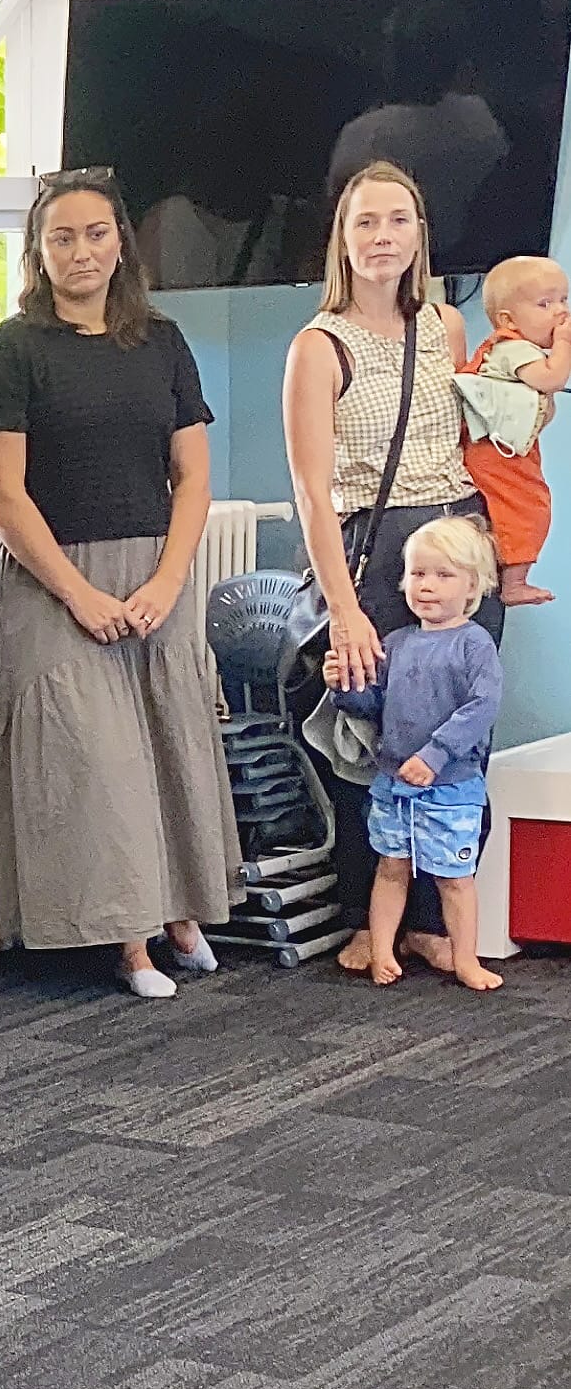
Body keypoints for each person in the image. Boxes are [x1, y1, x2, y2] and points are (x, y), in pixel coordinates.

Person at [0, 167, 239, 997]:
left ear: (121, 242)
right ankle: (130, 941)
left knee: (171, 742)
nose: (80, 251)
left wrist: (167, 579)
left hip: (156, 568)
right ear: (37, 253)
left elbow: (192, 477)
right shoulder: (12, 349)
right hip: (55, 580)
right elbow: (4, 493)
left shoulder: (160, 340)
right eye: (61, 238)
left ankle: (182, 908)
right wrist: (79, 595)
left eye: (94, 234)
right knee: (101, 761)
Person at [282, 159, 502, 976]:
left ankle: (438, 917)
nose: (383, 237)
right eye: (366, 222)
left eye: (398, 220)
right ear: (343, 237)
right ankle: (369, 913)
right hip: (372, 553)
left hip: (458, 537)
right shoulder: (319, 345)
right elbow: (311, 489)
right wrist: (344, 607)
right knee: (367, 735)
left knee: (461, 729)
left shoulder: (444, 327)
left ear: (420, 233)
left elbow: (484, 435)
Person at [323, 517, 503, 992]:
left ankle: (465, 958)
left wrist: (435, 755)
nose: (427, 586)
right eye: (418, 574)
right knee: (391, 868)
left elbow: (481, 708)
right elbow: (373, 706)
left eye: (443, 576)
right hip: (394, 786)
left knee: (454, 878)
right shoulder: (397, 644)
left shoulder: (474, 644)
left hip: (451, 788)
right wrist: (344, 686)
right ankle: (383, 951)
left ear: (472, 586)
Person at [456, 254, 566, 607]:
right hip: (496, 453)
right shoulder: (511, 347)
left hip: (504, 449)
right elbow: (551, 379)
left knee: (521, 507)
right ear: (508, 320)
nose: (560, 312)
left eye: (564, 300)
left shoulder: (517, 349)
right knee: (530, 507)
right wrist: (564, 343)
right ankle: (514, 583)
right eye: (545, 304)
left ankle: (510, 576)